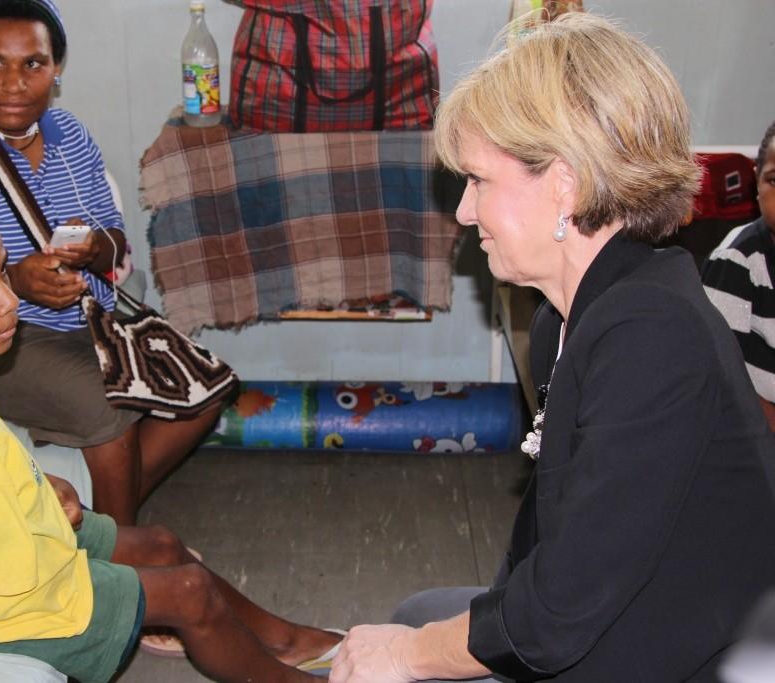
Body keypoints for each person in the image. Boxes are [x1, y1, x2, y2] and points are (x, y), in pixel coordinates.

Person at [330, 14, 775, 683]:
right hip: (615, 622)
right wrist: (439, 641)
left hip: (682, 657)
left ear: (564, 183)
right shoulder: (570, 316)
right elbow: (546, 541)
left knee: (410, 643)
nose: (464, 213)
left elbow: (562, 608)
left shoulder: (651, 333)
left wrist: (411, 654)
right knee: (421, 613)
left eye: (479, 181)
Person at [0, 190, 341, 683]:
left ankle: (287, 640)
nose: (5, 301)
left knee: (160, 544)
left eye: (1, 274)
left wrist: (38, 491)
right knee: (188, 591)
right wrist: (43, 521)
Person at [0, 0, 220, 526]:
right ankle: (122, 560)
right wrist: (14, 282)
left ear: (56, 70)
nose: (13, 82)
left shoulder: (71, 138)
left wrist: (94, 249)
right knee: (108, 407)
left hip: (91, 322)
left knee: (204, 390)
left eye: (33, 64)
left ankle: (94, 522)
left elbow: (116, 245)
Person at [701, 120, 775, 432]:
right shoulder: (737, 260)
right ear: (756, 184)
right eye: (774, 179)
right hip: (757, 437)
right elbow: (724, 378)